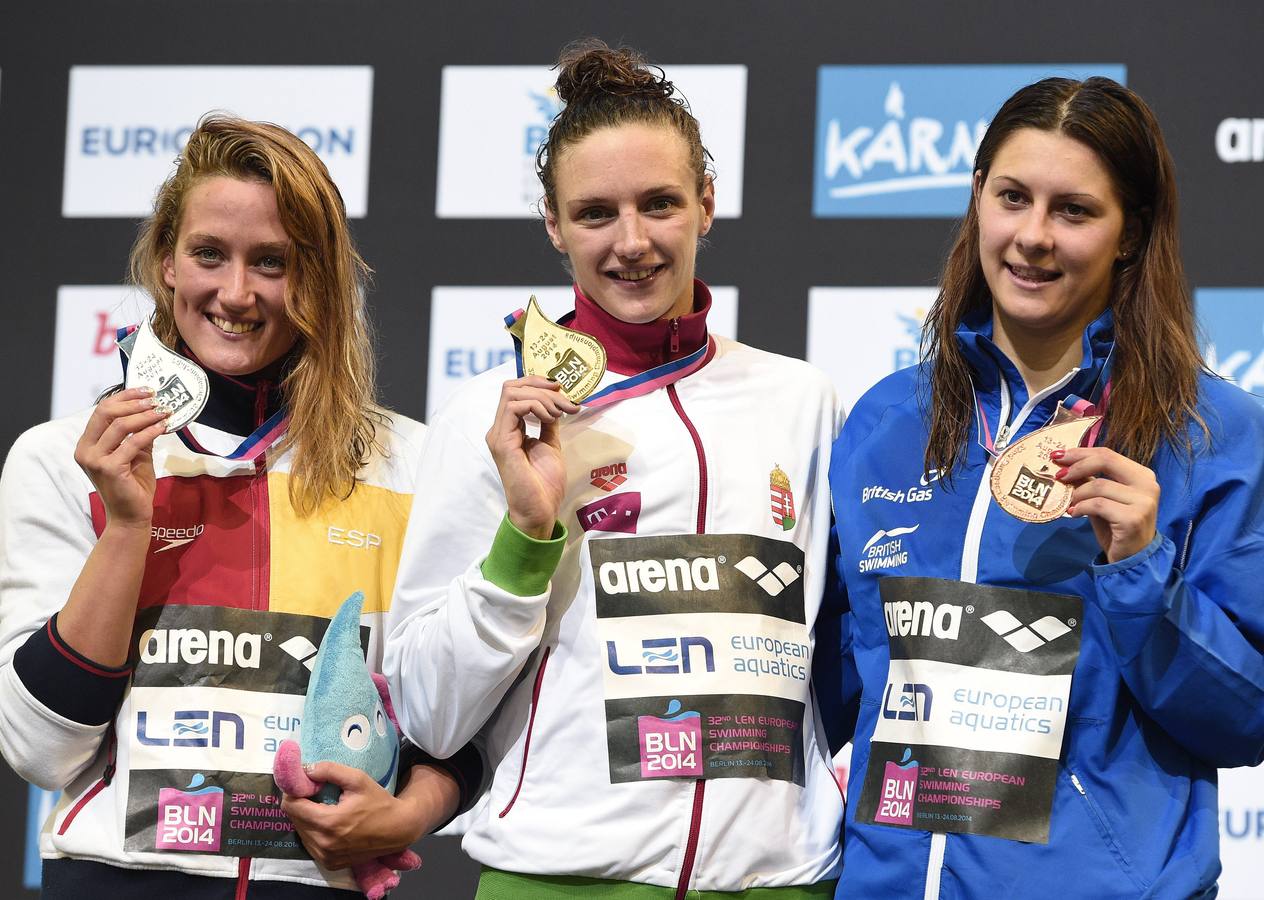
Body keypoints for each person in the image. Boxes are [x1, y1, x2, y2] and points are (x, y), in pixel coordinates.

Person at [384, 41, 845, 898]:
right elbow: (426, 711)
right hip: (563, 879)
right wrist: (525, 540)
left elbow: (839, 660)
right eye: (596, 213)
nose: (631, 242)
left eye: (660, 203)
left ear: (707, 204)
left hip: (781, 883)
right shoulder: (493, 421)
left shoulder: (801, 401)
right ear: (553, 225)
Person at [0, 116, 473, 897]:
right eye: (209, 254)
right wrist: (126, 527)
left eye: (273, 262)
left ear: (318, 280)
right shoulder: (62, 460)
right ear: (165, 263)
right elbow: (40, 750)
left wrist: (412, 811)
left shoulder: (410, 466)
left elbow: (454, 711)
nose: (237, 293)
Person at [824, 76, 1264, 898]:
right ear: (976, 199)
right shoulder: (887, 421)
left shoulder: (1212, 433)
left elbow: (1247, 716)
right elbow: (830, 683)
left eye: (1074, 211)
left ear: (1130, 233)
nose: (1032, 236)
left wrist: (1143, 571)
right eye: (1012, 197)